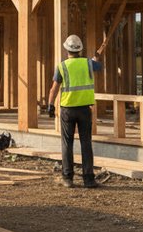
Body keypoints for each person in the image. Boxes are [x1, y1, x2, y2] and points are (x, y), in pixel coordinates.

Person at [45, 34, 105, 188]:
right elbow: (99, 67)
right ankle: (89, 179)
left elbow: (54, 88)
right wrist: (94, 59)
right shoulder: (88, 63)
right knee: (86, 143)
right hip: (85, 109)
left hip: (67, 109)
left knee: (67, 143)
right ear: (80, 50)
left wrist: (50, 105)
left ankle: (68, 178)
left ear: (67, 50)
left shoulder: (62, 66)